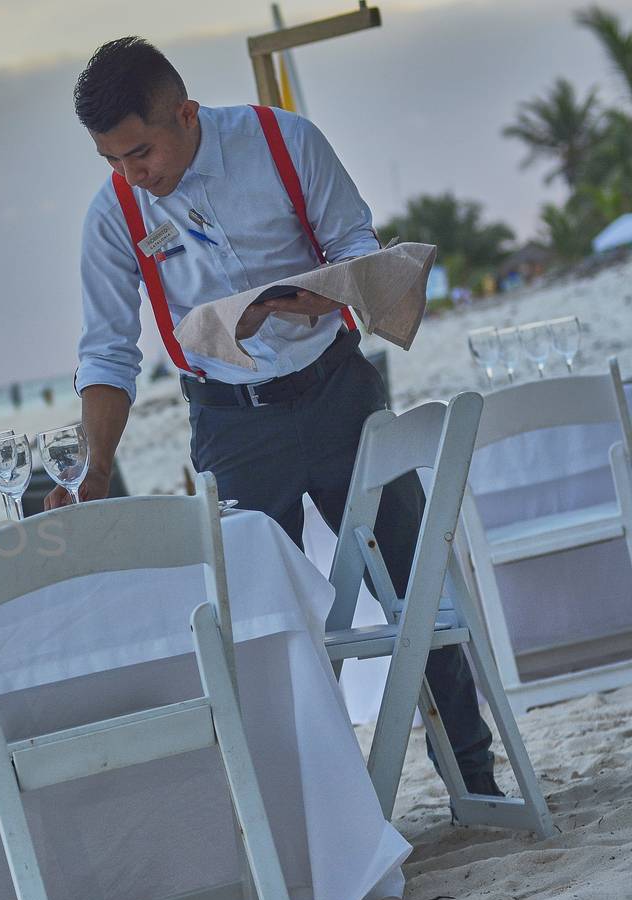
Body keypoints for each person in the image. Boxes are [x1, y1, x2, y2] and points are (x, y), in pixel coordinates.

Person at [46, 38, 499, 798]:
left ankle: (474, 778)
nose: (132, 175)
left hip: (340, 395)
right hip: (232, 425)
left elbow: (359, 246)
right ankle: (314, 808)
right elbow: (107, 352)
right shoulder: (113, 215)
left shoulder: (284, 141)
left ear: (186, 114)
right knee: (257, 624)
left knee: (418, 581)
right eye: (113, 161)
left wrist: (334, 290)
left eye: (141, 152)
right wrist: (95, 469)